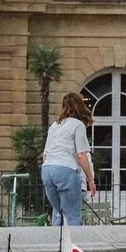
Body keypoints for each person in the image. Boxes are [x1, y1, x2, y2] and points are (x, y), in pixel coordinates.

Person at [40, 93, 97, 227]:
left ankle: (57, 245)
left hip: (47, 170)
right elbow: (82, 156)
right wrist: (91, 180)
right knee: (72, 215)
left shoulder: (54, 125)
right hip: (66, 169)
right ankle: (73, 246)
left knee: (58, 212)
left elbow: (45, 155)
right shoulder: (78, 125)